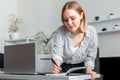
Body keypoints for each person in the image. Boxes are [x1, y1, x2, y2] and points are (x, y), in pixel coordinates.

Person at [51, 1, 98, 80]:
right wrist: (56, 66)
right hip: (64, 71)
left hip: (83, 68)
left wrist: (89, 71)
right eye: (66, 20)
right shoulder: (60, 31)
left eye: (73, 18)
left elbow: (90, 57)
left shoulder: (91, 31)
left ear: (81, 15)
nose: (69, 23)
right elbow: (57, 53)